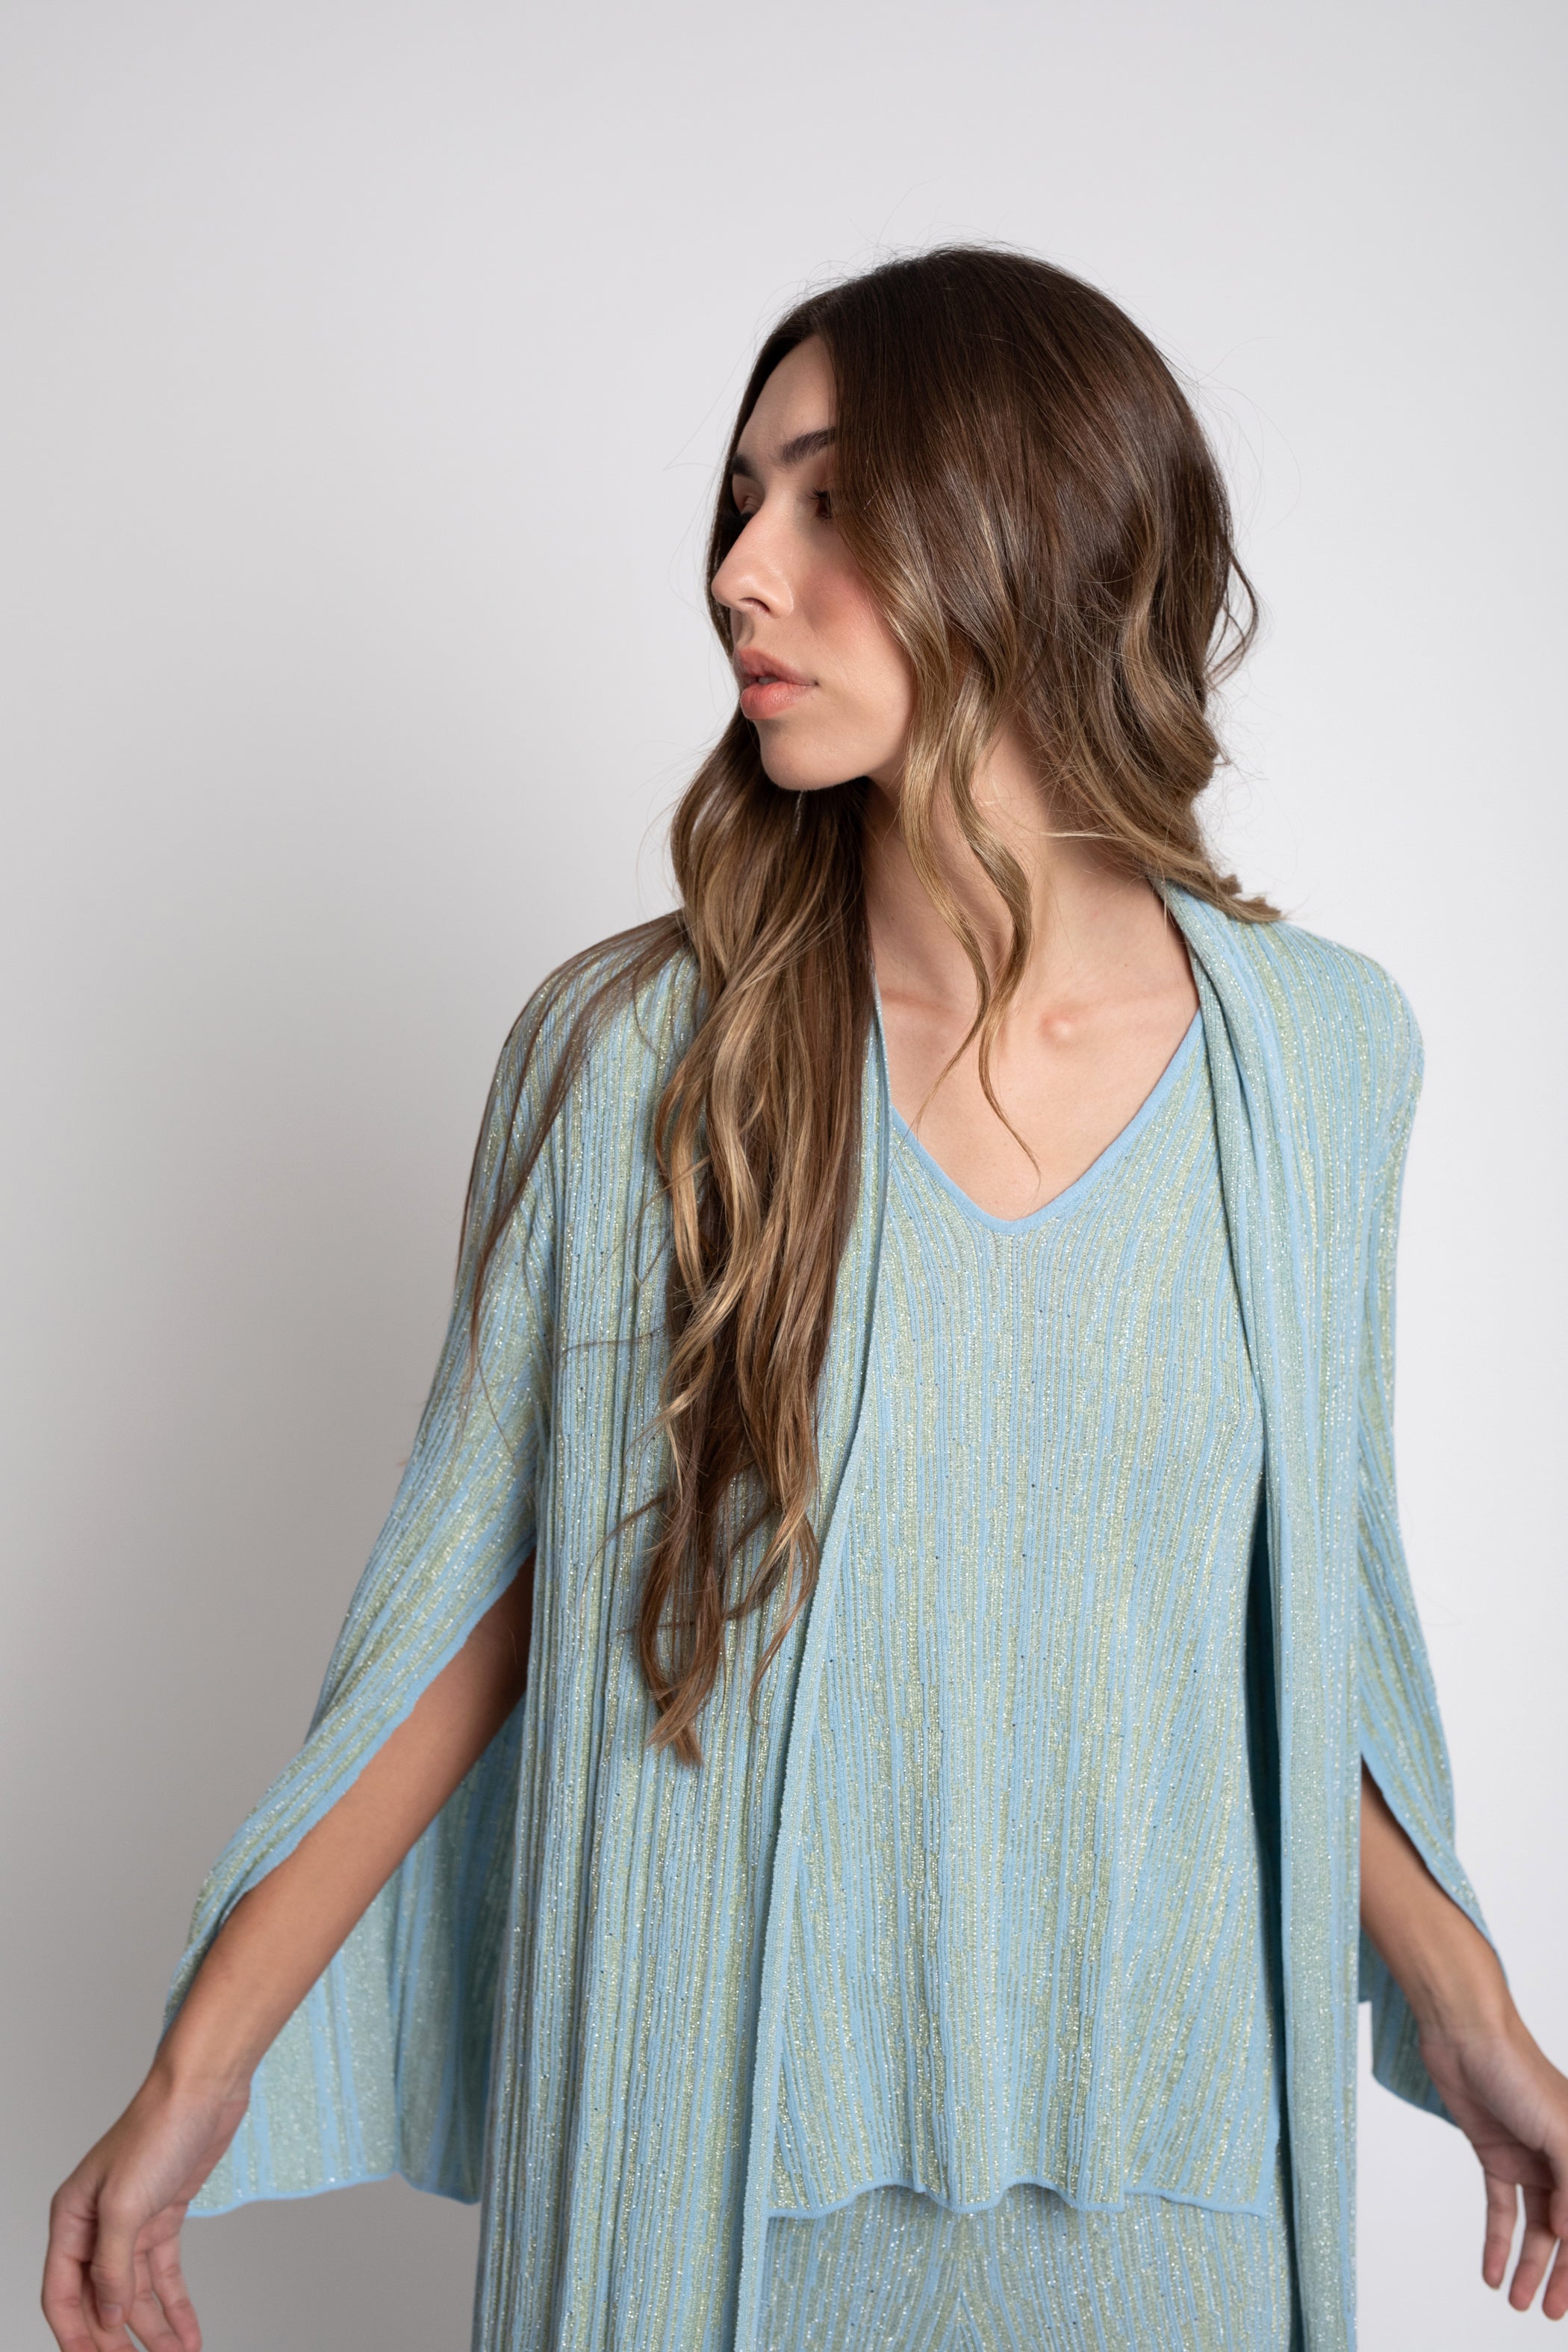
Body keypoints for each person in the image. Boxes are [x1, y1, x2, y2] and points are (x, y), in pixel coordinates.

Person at [43, 246, 1568, 2352]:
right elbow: (474, 1602)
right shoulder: (634, 1059)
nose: (740, 573)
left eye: (831, 502)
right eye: (743, 502)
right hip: (702, 2189)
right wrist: (195, 2077)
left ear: (1034, 526)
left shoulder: (1314, 1061)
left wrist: (1471, 2014)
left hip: (1171, 2200)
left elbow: (1308, 1627)